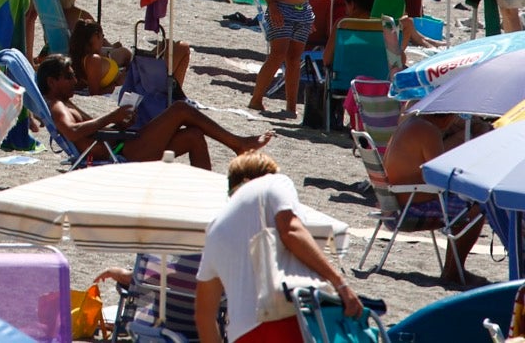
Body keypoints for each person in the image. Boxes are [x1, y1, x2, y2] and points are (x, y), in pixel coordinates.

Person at [195, 152, 360, 343]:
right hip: (285, 319)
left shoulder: (215, 229)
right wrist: (340, 283)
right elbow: (291, 231)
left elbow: (204, 316)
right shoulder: (273, 182)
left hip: (242, 335)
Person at [35, 56, 271, 169]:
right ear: (52, 82)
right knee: (180, 109)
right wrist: (113, 117)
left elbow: (91, 132)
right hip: (124, 152)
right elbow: (73, 132)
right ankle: (237, 144)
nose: (75, 80)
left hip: (123, 143)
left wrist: (121, 123)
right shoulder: (57, 106)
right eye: (69, 76)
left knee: (193, 136)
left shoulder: (65, 102)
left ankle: (204, 194)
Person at [382, 113, 485, 283]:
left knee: (468, 203)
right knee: (477, 209)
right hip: (408, 211)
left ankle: (453, 270)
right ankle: (453, 272)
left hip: (391, 207)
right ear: (447, 117)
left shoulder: (409, 122)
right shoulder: (428, 130)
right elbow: (441, 177)